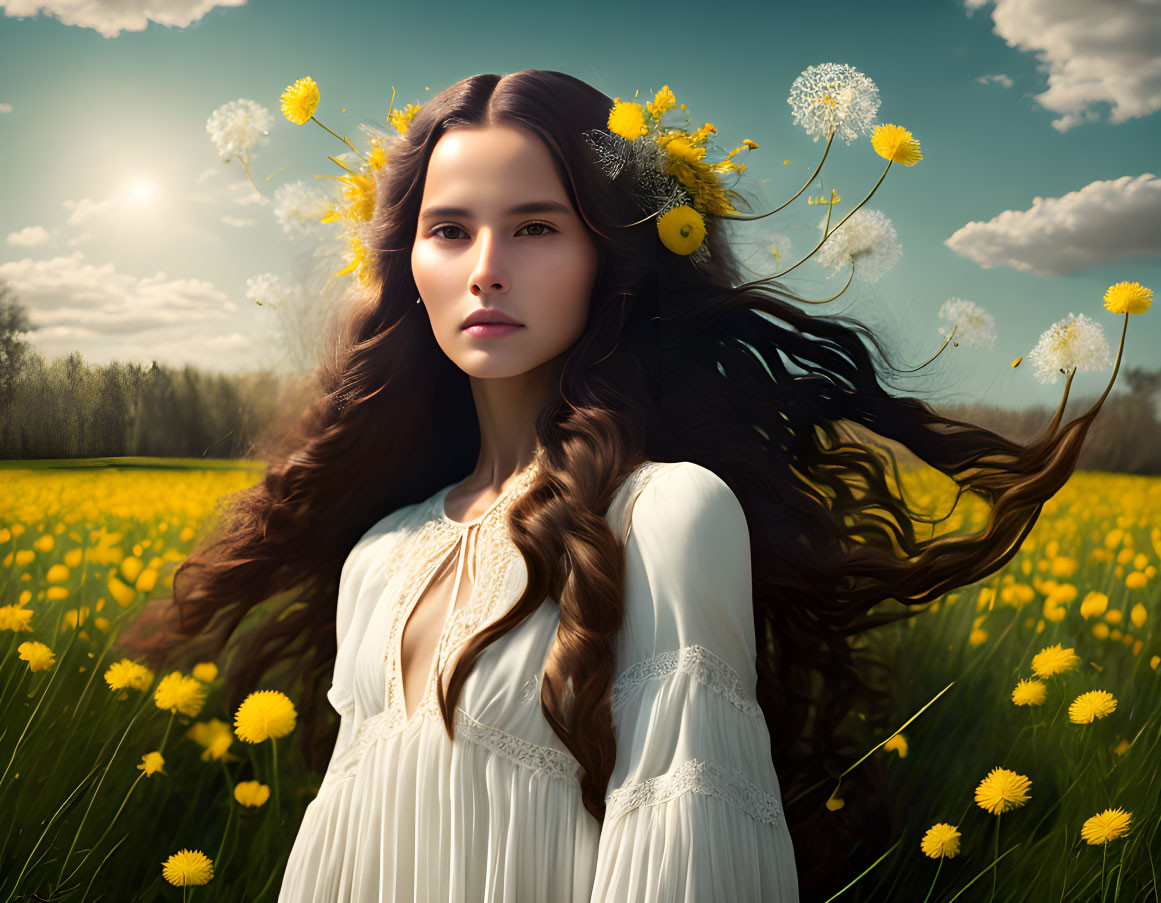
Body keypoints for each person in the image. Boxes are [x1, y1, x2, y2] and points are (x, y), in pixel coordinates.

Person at [122, 69, 1115, 900]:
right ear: (405, 264)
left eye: (538, 229)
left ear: (614, 259)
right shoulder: (378, 557)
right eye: (451, 230)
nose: (486, 270)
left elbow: (687, 849)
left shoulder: (669, 517)